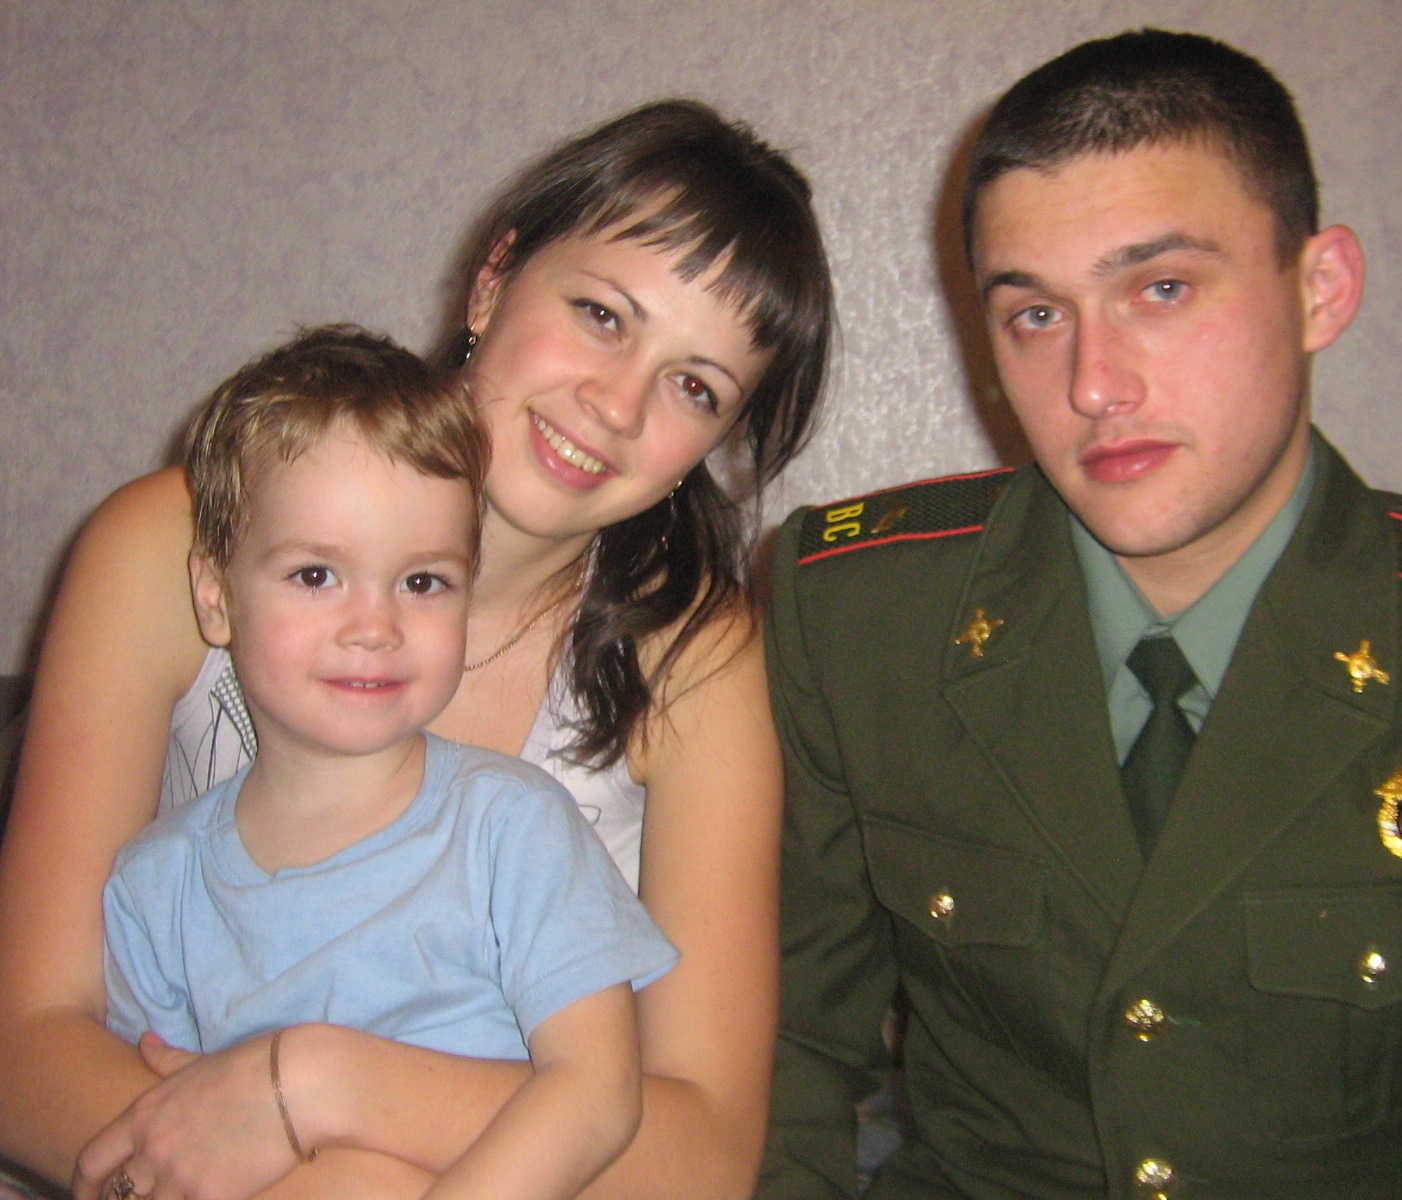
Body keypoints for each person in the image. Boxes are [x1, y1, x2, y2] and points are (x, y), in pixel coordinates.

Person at [760, 28, 1402, 1200]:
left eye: (1159, 290)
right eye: (1034, 315)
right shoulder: (857, 615)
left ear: (1318, 290)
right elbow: (786, 1056)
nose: (1093, 384)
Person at [0, 99, 830, 1200]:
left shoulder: (694, 665)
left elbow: (704, 1155)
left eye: (694, 387)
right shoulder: (170, 544)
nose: (617, 405)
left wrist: (328, 1089)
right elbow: (26, 1039)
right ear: (493, 281)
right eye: (601, 315)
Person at [92, 326, 679, 1200]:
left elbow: (598, 1095)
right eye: (315, 576)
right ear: (216, 596)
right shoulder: (155, 886)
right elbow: (165, 1139)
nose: (375, 626)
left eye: (422, 582)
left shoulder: (515, 828)